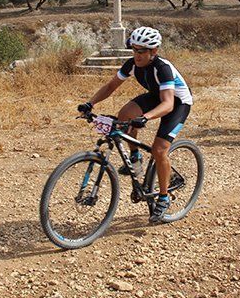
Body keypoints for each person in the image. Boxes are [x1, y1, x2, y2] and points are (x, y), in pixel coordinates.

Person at [77, 26, 192, 222]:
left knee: (159, 150)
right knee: (124, 116)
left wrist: (146, 118)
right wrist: (91, 103)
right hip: (156, 97)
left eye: (141, 51)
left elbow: (168, 104)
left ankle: (163, 198)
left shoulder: (162, 69)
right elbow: (111, 86)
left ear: (153, 51)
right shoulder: (131, 64)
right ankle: (135, 156)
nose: (136, 55)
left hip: (177, 103)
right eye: (134, 50)